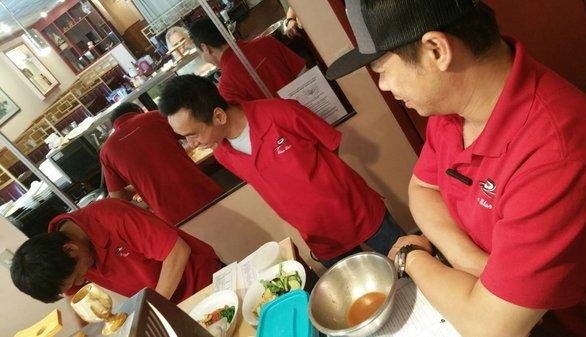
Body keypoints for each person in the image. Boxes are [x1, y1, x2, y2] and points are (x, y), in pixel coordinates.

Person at [326, 0, 586, 336]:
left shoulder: (557, 153)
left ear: (436, 50)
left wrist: (411, 255)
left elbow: (490, 327)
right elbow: (422, 189)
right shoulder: (451, 109)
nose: (383, 85)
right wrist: (473, 263)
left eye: (382, 69)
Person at [158, 74, 405, 268]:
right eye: (184, 138)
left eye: (193, 134)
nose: (191, 145)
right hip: (322, 239)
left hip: (359, 212)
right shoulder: (223, 153)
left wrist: (324, 190)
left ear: (219, 116)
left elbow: (332, 144)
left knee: (411, 266)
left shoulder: (281, 112)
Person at [10, 198, 223, 304]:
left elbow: (177, 252)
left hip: (206, 283)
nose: (79, 283)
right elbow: (75, 298)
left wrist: (152, 311)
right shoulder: (59, 261)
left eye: (78, 277)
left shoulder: (111, 216)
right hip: (170, 305)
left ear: (71, 249)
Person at [100, 102, 223, 226]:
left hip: (169, 216)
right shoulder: (156, 116)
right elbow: (195, 133)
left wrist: (139, 184)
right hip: (203, 191)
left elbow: (118, 197)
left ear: (114, 126)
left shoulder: (106, 151)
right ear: (139, 111)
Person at [188, 18, 306, 104]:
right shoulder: (266, 42)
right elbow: (303, 73)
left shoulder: (226, 86)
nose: (203, 59)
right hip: (311, 108)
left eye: (200, 53)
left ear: (205, 48)